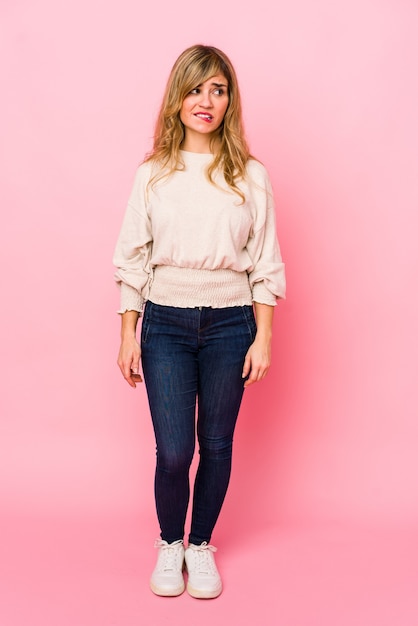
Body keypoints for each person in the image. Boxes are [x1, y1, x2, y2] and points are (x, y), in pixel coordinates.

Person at [113, 44, 286, 599]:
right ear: (177, 98)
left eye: (218, 89)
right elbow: (132, 256)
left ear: (230, 100)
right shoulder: (153, 174)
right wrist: (127, 332)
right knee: (173, 450)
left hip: (231, 324)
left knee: (216, 443)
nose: (206, 101)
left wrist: (263, 336)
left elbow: (266, 259)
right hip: (164, 322)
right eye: (195, 89)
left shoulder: (250, 175)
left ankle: (200, 544)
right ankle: (170, 542)